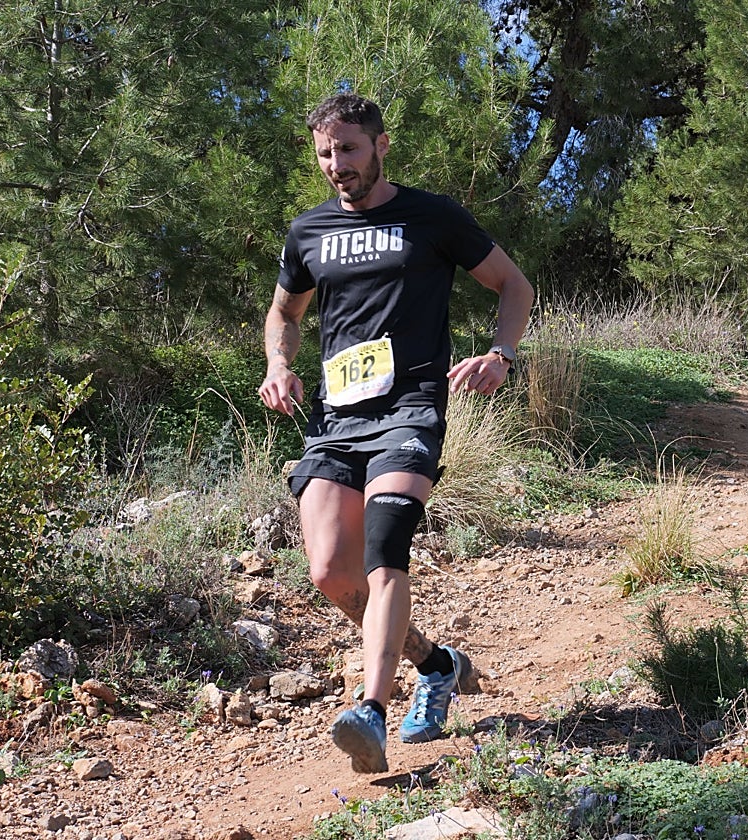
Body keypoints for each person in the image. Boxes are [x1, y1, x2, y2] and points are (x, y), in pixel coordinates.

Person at [257, 92, 533, 774]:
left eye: (348, 149)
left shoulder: (432, 216)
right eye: (325, 153)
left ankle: (370, 709)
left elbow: (513, 286)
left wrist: (501, 355)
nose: (335, 165)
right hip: (335, 420)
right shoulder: (309, 231)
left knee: (385, 550)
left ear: (381, 145)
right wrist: (279, 364)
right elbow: (284, 312)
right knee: (328, 571)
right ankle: (437, 666)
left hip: (410, 410)